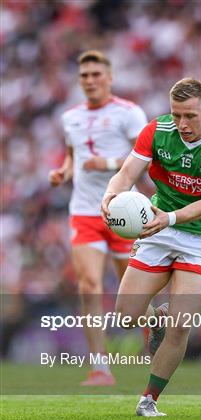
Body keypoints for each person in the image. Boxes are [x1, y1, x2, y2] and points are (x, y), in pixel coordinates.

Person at [101, 77, 201, 416]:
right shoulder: (156, 131)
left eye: (190, 116)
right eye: (177, 115)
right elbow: (126, 173)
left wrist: (171, 218)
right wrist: (110, 194)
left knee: (182, 323)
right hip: (157, 227)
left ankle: (148, 399)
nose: (182, 124)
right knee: (125, 316)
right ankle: (155, 318)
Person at [48, 50, 147, 386]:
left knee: (132, 294)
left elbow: (144, 158)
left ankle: (156, 351)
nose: (89, 81)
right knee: (89, 287)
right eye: (84, 76)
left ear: (110, 77)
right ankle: (100, 369)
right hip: (84, 212)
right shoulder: (70, 118)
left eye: (95, 74)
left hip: (122, 212)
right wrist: (63, 171)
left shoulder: (129, 113)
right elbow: (73, 155)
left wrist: (105, 164)